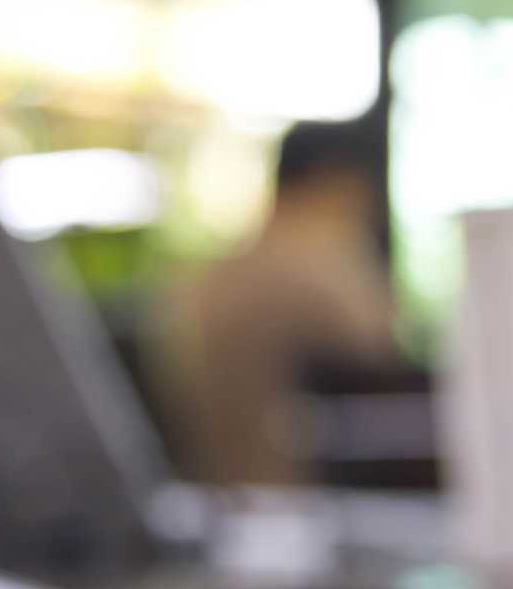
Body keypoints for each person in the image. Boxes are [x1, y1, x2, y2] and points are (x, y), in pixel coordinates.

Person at [151, 122, 396, 485]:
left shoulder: (208, 278)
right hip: (299, 505)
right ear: (339, 182)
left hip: (214, 500)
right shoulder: (324, 268)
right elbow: (382, 368)